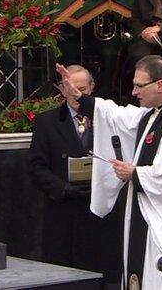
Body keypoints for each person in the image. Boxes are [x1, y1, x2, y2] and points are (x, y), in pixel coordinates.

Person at [55, 56, 162, 290]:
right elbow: (113, 114)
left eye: (140, 85)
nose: (134, 91)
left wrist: (135, 174)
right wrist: (79, 96)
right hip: (145, 213)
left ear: (159, 85)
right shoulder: (151, 115)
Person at [28, 65, 122, 288]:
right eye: (70, 89)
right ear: (61, 89)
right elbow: (36, 166)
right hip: (63, 213)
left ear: (92, 87)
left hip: (100, 212)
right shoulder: (47, 121)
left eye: (82, 89)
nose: (76, 95)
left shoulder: (111, 119)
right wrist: (62, 188)